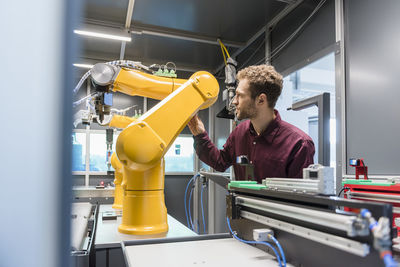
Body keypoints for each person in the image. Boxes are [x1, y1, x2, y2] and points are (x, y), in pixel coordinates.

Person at [187, 64, 315, 183]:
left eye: (239, 96)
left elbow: (301, 199)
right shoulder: (240, 132)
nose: (234, 102)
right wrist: (200, 135)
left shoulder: (299, 144)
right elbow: (220, 162)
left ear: (261, 100)